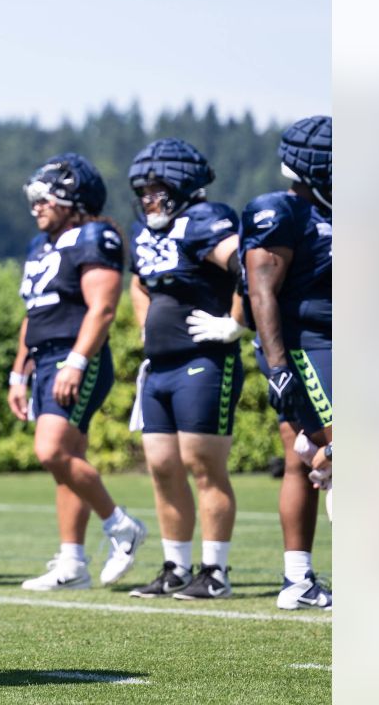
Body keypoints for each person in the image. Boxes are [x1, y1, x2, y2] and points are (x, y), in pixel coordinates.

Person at [6, 153, 148, 591]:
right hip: (45, 359)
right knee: (68, 461)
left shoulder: (95, 236)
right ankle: (72, 564)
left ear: (73, 199)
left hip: (75, 358)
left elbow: (103, 308)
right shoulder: (40, 246)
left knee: (52, 452)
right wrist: (18, 373)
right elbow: (34, 312)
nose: (36, 208)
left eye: (45, 200)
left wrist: (77, 361)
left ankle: (121, 525)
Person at [124, 138, 246, 600]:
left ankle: (214, 571)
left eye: (158, 189)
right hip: (160, 366)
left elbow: (247, 268)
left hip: (204, 360)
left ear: (183, 187)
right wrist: (145, 327)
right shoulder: (148, 233)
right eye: (144, 191)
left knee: (204, 465)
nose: (149, 199)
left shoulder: (204, 220)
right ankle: (176, 566)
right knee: (161, 466)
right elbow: (139, 282)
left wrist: (235, 322)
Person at [239, 115, 333, 610]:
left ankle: (298, 582)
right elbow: (259, 290)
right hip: (307, 347)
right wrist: (278, 366)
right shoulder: (282, 212)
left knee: (305, 464)